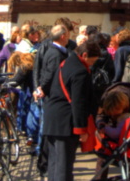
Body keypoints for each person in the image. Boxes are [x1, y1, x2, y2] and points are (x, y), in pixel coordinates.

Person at [44, 41, 101, 181]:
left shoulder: (67, 63)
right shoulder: (80, 72)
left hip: (53, 118)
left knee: (54, 163)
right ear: (85, 55)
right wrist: (81, 130)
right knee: (64, 166)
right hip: (66, 122)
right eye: (92, 61)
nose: (92, 64)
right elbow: (78, 102)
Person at [34, 24, 71, 175]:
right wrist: (42, 88)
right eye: (68, 34)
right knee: (47, 132)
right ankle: (44, 163)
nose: (69, 36)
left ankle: (45, 163)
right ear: (62, 36)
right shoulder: (56, 54)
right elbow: (50, 74)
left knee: (46, 130)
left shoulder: (52, 50)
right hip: (52, 96)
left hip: (49, 95)